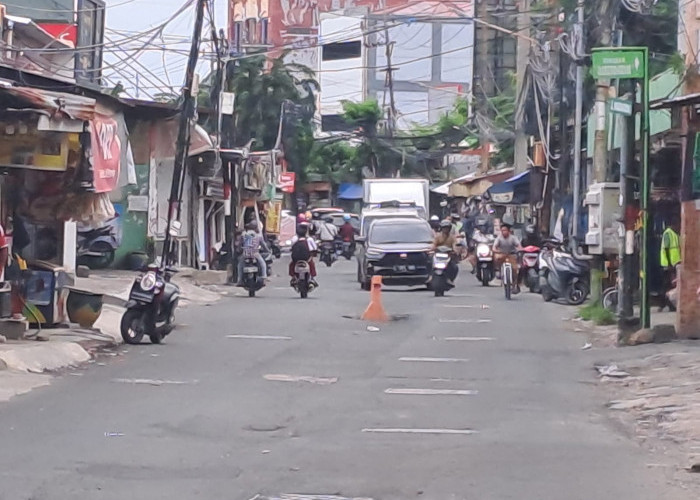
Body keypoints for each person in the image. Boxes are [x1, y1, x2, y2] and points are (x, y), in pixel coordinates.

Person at [236, 221, 269, 286]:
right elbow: (264, 245)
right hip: (255, 253)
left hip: (245, 254)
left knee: (240, 265)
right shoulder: (258, 236)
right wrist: (268, 251)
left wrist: (238, 249)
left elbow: (240, 244)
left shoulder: (244, 234)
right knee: (263, 264)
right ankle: (264, 278)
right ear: (256, 228)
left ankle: (239, 280)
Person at [493, 224, 523, 292]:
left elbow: (519, 246)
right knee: (497, 258)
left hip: (511, 255)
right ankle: (499, 271)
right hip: (502, 254)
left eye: (505, 230)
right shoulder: (499, 238)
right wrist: (497, 250)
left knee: (515, 269)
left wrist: (519, 249)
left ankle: (515, 284)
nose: (504, 232)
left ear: (509, 231)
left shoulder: (513, 238)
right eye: (502, 230)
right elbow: (494, 247)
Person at [659, 220, 681, 312]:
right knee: (666, 285)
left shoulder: (676, 234)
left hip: (675, 263)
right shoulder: (668, 234)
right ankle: (663, 304)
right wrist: (669, 264)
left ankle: (670, 304)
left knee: (671, 285)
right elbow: (666, 249)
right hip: (668, 264)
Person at [431, 219, 460, 285]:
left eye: (447, 228)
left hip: (448, 256)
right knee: (430, 262)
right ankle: (430, 277)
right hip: (438, 256)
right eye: (444, 228)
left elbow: (455, 245)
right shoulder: (438, 236)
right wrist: (432, 249)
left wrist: (455, 251)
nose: (445, 229)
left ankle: (450, 279)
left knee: (455, 267)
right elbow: (433, 245)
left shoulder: (452, 237)